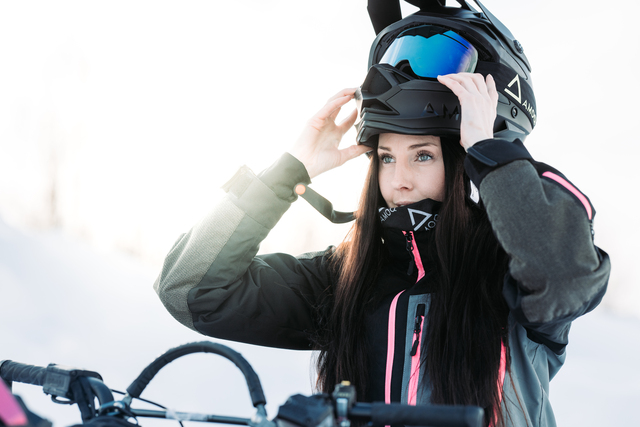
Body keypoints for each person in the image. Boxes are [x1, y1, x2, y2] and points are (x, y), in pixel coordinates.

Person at [153, 1, 610, 426]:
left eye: (423, 155)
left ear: (462, 162)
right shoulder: (345, 279)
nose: (399, 180)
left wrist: (492, 152)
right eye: (387, 157)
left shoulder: (511, 274)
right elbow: (188, 289)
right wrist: (285, 175)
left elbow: (566, 276)